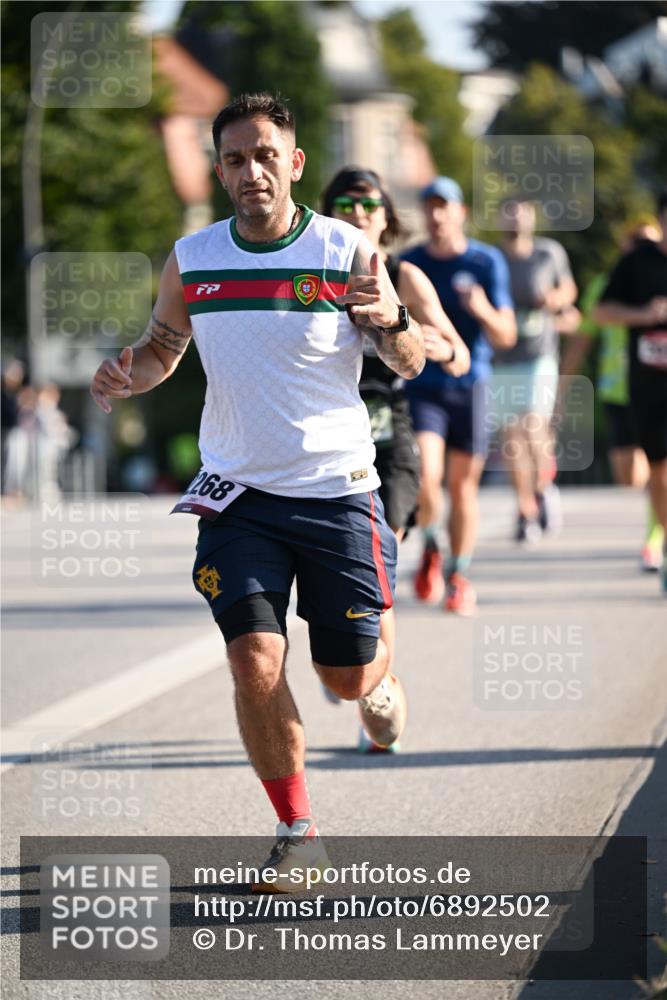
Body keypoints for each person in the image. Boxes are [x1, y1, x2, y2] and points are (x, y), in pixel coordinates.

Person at [90, 93, 425, 886]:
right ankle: (298, 830)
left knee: (344, 678)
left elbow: (408, 363)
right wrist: (125, 374)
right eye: (235, 158)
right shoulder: (193, 257)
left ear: (294, 163)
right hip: (237, 496)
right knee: (254, 658)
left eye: (265, 155)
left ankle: (378, 677)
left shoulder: (346, 251)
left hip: (337, 492)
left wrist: (393, 323)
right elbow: (162, 349)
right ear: (219, 169)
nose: (252, 172)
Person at [321, 165, 469, 751]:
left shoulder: (405, 274)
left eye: (369, 203)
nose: (358, 212)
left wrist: (427, 340)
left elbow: (455, 352)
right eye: (345, 203)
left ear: (387, 216)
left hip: (387, 444)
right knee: (335, 582)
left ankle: (375, 700)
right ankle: (348, 655)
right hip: (320, 446)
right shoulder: (307, 273)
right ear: (326, 211)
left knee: (372, 567)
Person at [403, 177, 516, 614]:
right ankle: (431, 542)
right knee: (426, 478)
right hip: (422, 388)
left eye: (443, 207)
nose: (435, 215)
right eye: (428, 207)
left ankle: (458, 574)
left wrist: (481, 308)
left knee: (462, 486)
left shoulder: (486, 262)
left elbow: (506, 334)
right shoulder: (410, 264)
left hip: (472, 386)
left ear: (460, 212)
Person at [558, 217, 663, 571]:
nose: (641, 247)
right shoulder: (606, 285)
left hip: (655, 388)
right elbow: (582, 338)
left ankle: (655, 539)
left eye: (649, 241)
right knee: (631, 476)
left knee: (658, 466)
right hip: (617, 390)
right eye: (636, 240)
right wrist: (562, 387)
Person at [594, 188, 667, 593]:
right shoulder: (637, 263)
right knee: (657, 471)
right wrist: (645, 313)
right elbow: (601, 311)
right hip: (648, 385)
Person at [493, 197, 578, 543]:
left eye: (521, 214)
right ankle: (526, 508)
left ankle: (543, 487)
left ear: (531, 219)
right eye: (509, 214)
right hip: (502, 357)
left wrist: (553, 300)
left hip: (539, 354)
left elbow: (568, 289)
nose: (515, 220)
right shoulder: (493, 259)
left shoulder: (548, 253)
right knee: (511, 439)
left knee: (532, 423)